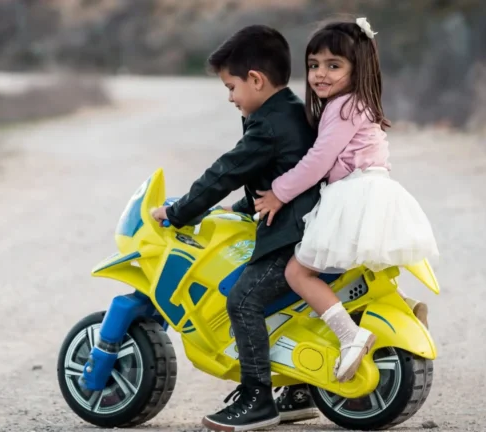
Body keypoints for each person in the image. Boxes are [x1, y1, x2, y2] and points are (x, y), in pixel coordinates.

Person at [150, 24, 324, 432]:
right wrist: (243, 206)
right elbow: (284, 169)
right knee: (282, 304)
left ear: (256, 80)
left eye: (231, 87)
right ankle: (300, 390)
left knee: (243, 299)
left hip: (292, 236)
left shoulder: (267, 126)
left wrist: (178, 213)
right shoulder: (290, 111)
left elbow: (225, 171)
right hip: (308, 224)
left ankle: (256, 398)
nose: (230, 97)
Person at [253, 17, 439, 384]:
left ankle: (349, 335)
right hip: (376, 188)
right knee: (361, 268)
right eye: (314, 65)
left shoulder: (342, 108)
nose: (320, 74)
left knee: (298, 272)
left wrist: (279, 192)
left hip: (353, 193)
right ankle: (405, 307)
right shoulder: (359, 103)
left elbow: (319, 160)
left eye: (333, 65)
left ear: (358, 70)